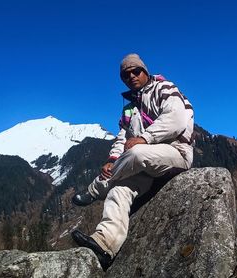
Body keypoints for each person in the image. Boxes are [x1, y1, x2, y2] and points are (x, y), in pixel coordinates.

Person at [71, 53, 194, 270]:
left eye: (136, 71)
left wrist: (145, 138)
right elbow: (123, 138)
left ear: (145, 71)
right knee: (118, 191)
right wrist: (112, 160)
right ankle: (104, 244)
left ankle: (95, 189)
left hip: (175, 154)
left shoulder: (164, 88)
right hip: (145, 167)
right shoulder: (129, 108)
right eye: (126, 75)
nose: (131, 77)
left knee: (137, 153)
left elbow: (177, 119)